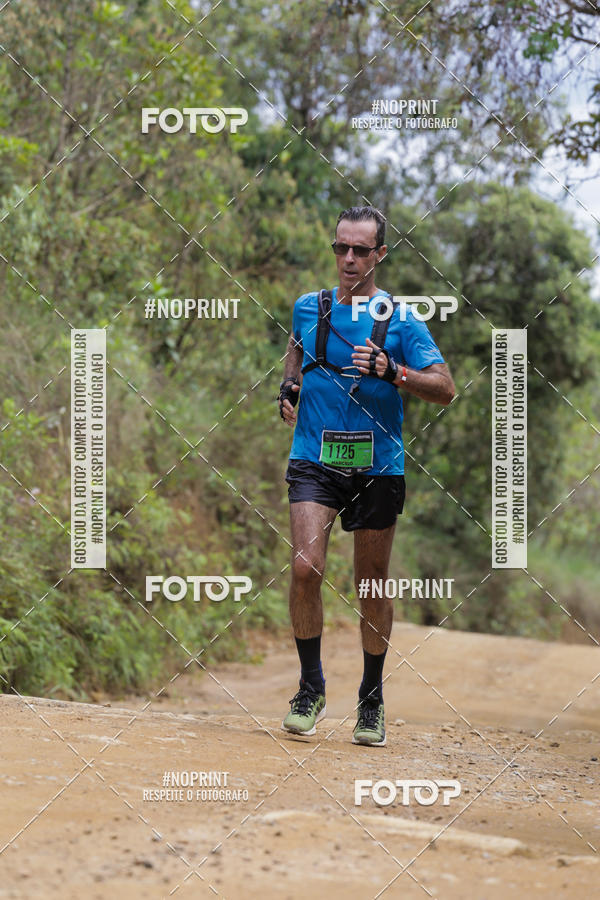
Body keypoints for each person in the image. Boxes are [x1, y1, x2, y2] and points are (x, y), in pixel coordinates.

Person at [278, 205, 455, 746]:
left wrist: (393, 371)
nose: (349, 259)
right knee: (306, 567)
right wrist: (288, 389)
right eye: (341, 248)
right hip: (315, 457)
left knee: (371, 582)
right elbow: (295, 354)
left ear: (380, 254)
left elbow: (445, 387)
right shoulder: (311, 307)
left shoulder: (402, 319)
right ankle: (311, 688)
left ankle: (371, 699)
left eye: (360, 250)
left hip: (377, 465)